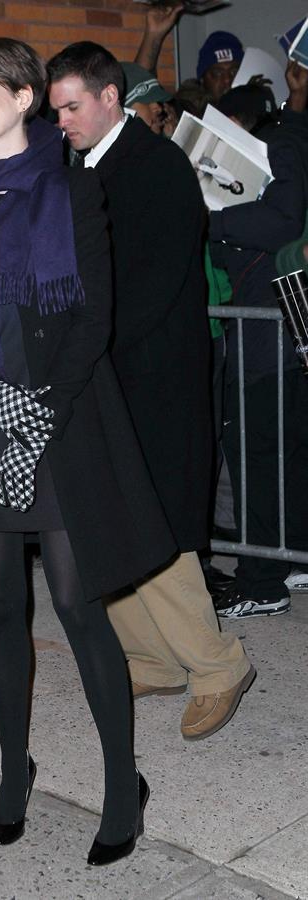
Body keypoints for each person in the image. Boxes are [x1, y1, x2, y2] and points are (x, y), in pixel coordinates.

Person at [0, 37, 178, 867]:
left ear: (25, 98)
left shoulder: (75, 189)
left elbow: (93, 317)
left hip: (60, 419)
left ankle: (122, 782)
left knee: (77, 605)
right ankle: (13, 770)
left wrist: (37, 409)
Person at [47, 41, 255, 742]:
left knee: (156, 529)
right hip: (108, 377)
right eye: (56, 110)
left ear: (112, 98)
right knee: (112, 521)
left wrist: (84, 347)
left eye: (72, 107)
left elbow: (150, 286)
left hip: (150, 382)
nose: (62, 121)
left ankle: (217, 666)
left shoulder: (155, 165)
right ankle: (151, 657)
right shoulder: (85, 169)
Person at [208, 70, 308, 619]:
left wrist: (213, 221)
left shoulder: (279, 145)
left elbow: (281, 222)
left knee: (256, 452)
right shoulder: (287, 143)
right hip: (274, 319)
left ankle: (262, 579)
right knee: (283, 450)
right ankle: (287, 561)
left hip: (266, 323)